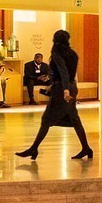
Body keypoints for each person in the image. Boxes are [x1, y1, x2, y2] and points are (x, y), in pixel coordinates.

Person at [15, 29, 92, 160]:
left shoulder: (56, 53)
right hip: (71, 86)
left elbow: (63, 72)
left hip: (62, 89)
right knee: (74, 118)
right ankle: (86, 148)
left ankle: (34, 149)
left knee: (47, 119)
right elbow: (69, 74)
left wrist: (65, 89)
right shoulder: (73, 54)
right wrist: (63, 86)